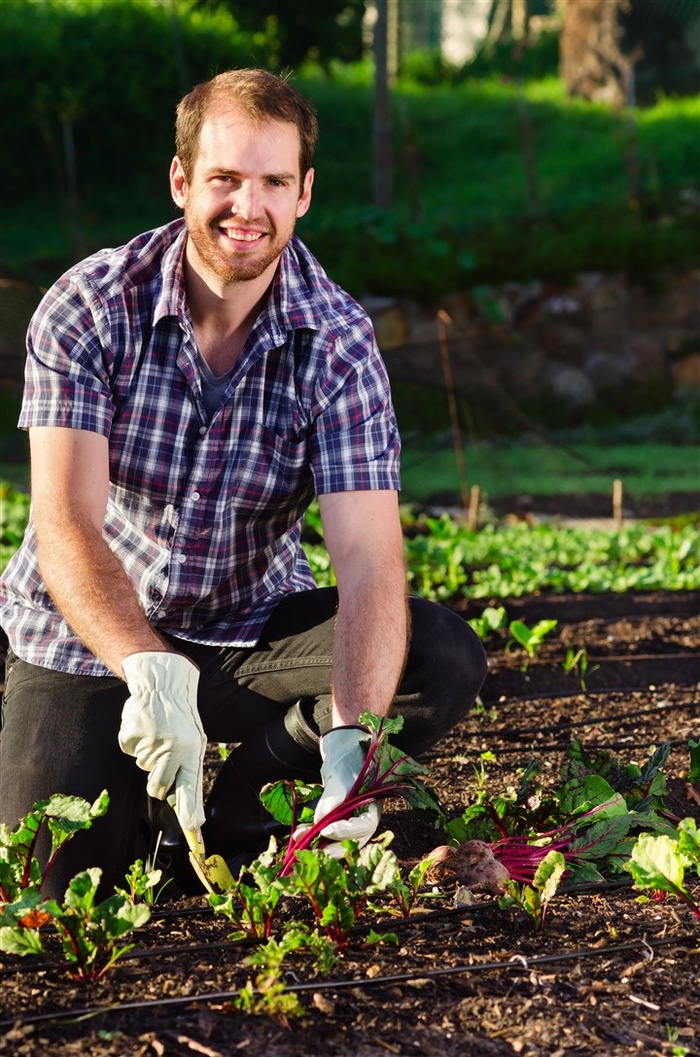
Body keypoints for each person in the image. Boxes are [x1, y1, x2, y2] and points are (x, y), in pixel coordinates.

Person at [0, 68, 487, 898]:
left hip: (245, 634)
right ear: (183, 181)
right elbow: (66, 523)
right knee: (59, 890)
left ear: (303, 193)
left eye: (272, 182)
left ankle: (245, 808)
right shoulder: (88, 307)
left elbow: (369, 561)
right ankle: (134, 801)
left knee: (438, 655)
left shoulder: (337, 342)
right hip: (91, 639)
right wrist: (147, 666)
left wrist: (354, 736)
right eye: (225, 179)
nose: (246, 208)